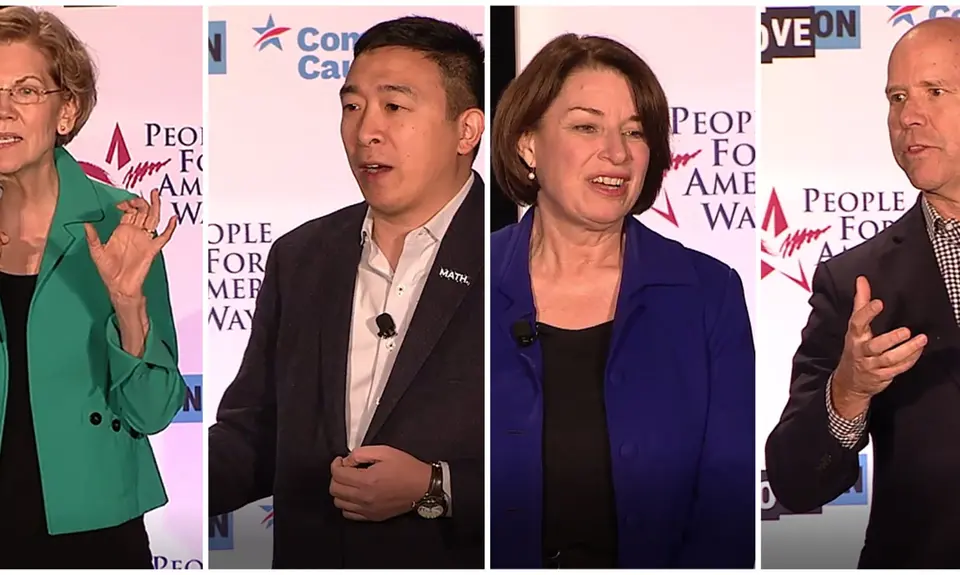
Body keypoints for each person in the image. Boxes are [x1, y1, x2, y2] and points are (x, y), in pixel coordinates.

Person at [208, 16, 485, 568]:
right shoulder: (301, 256)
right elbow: (255, 435)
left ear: (466, 130)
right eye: (352, 106)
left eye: (395, 107)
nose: (365, 132)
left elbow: (564, 462)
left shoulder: (521, 256)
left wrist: (438, 485)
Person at [489, 33, 756, 569]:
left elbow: (727, 512)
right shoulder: (465, 282)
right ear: (528, 144)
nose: (616, 153)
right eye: (586, 126)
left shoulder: (708, 294)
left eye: (634, 132)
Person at [765, 17, 960, 568]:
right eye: (897, 97)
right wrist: (848, 393)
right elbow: (795, 481)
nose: (908, 116)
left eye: (935, 92)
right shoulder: (855, 284)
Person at [0, 6, 185, 568]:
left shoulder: (119, 223)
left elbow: (154, 411)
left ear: (67, 109)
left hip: (92, 529)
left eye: (25, 90)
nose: (2, 108)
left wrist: (129, 307)